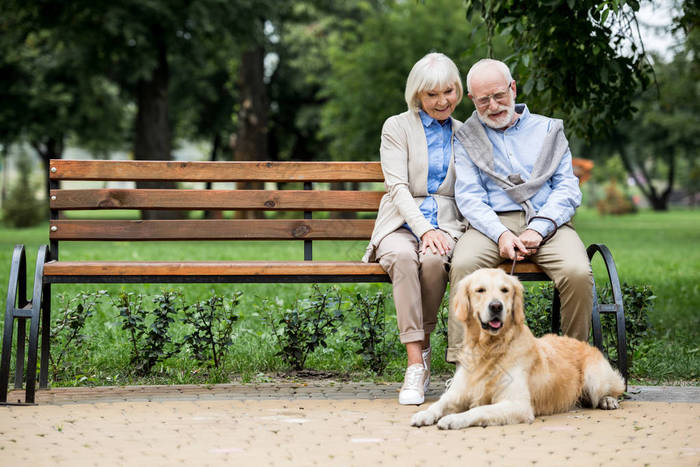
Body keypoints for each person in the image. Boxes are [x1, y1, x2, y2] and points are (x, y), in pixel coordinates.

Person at [446, 58, 593, 363]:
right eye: (484, 99)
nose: (494, 105)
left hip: (547, 222)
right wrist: (500, 234)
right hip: (491, 224)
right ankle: (466, 364)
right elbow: (470, 196)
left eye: (499, 95)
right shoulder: (467, 137)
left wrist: (538, 228)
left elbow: (567, 188)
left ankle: (574, 365)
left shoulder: (549, 130)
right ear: (473, 100)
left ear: (513, 88)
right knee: (464, 266)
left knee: (577, 272)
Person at [362, 52, 467, 405]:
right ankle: (415, 365)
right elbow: (397, 187)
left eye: (448, 92)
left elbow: (468, 191)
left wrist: (441, 232)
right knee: (404, 260)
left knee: (436, 262)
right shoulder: (396, 127)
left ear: (459, 90)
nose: (442, 101)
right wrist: (424, 230)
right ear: (417, 96)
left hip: (447, 224)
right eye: (431, 95)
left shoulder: (465, 133)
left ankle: (421, 348)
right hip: (399, 223)